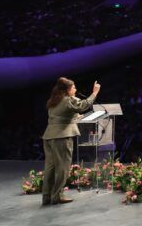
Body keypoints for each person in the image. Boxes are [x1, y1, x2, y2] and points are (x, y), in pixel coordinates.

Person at [41, 77, 100, 206]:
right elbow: (83, 105)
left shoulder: (54, 100)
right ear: (67, 90)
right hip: (62, 137)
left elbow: (62, 115)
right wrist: (94, 92)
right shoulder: (68, 100)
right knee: (63, 167)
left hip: (49, 136)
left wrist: (75, 117)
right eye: (73, 87)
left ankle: (46, 197)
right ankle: (57, 196)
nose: (76, 89)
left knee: (50, 167)